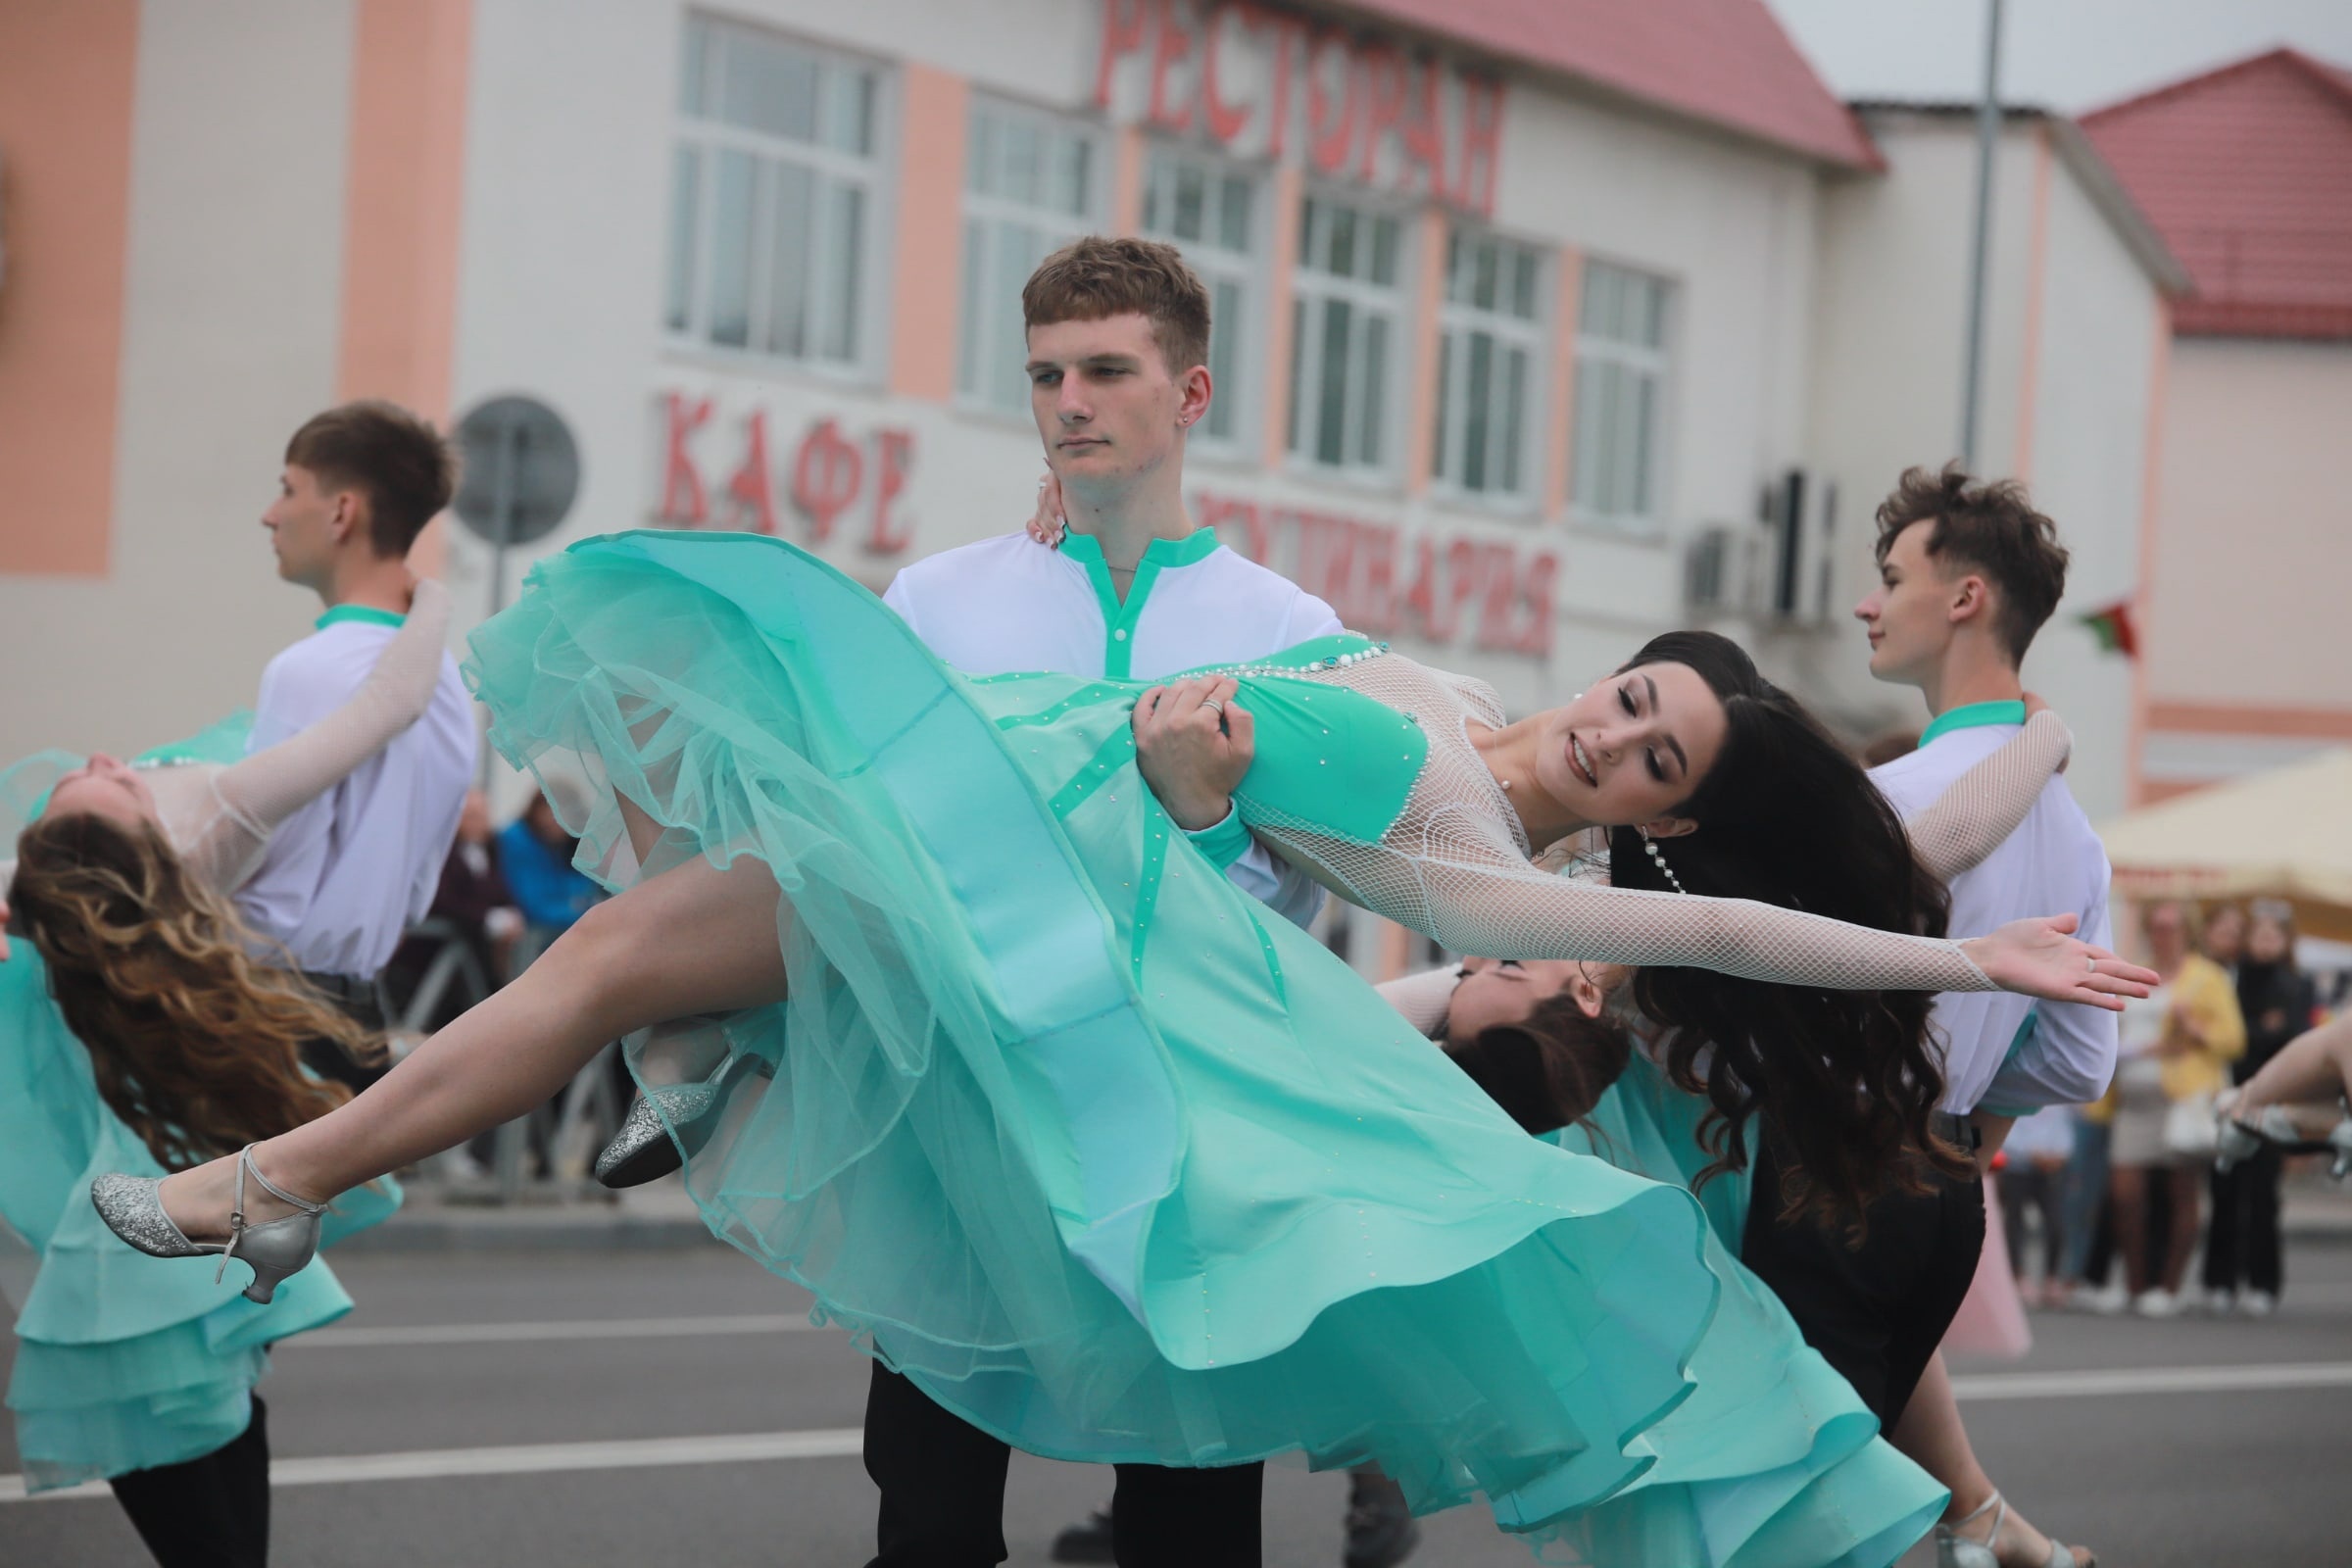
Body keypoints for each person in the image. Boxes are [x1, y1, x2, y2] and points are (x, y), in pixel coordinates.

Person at [0, 583, 449, 1565]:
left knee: (226, 1517)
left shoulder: (73, 951)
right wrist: (433, 587)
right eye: (108, 786)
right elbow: (386, 705)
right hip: (146, 1299)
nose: (112, 762)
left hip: (160, 1286)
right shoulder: (204, 834)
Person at [1842, 464, 2118, 1568]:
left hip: (1821, 1171)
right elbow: (2082, 1051)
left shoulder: (1887, 799)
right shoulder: (2078, 832)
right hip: (1945, 1194)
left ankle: (1985, 1523)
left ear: (1964, 599)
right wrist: (1974, 1120)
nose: (1868, 602)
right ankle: (1988, 1526)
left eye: (1890, 576)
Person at [238, 401, 476, 1087]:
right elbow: (417, 881)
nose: (270, 514)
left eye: (287, 489)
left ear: (342, 512)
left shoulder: (309, 670)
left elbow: (270, 882)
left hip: (277, 1010)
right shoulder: (449, 682)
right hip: (365, 1002)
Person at [2106, 901, 2244, 1317]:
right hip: (2133, 1097)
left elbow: (2232, 1041)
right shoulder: (2138, 969)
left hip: (2182, 1098)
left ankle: (2168, 1287)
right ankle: (2134, 1284)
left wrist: (2191, 1029)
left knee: (2183, 1193)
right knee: (2124, 1194)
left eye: (2172, 927)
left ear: (2188, 931)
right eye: (2158, 926)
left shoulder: (2208, 977)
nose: (2163, 934)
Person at [2204, 902, 2320, 1313]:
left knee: (2263, 1195)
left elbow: (2296, 1040)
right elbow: (2231, 1036)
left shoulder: (2297, 983)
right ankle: (2218, 1282)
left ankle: (2263, 1284)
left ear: (2287, 941)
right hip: (2231, 1095)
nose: (2266, 942)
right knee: (2224, 1188)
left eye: (2275, 935)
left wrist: (2264, 1033)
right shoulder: (2229, 979)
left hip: (2273, 1101)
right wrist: (2260, 1029)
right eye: (2260, 934)